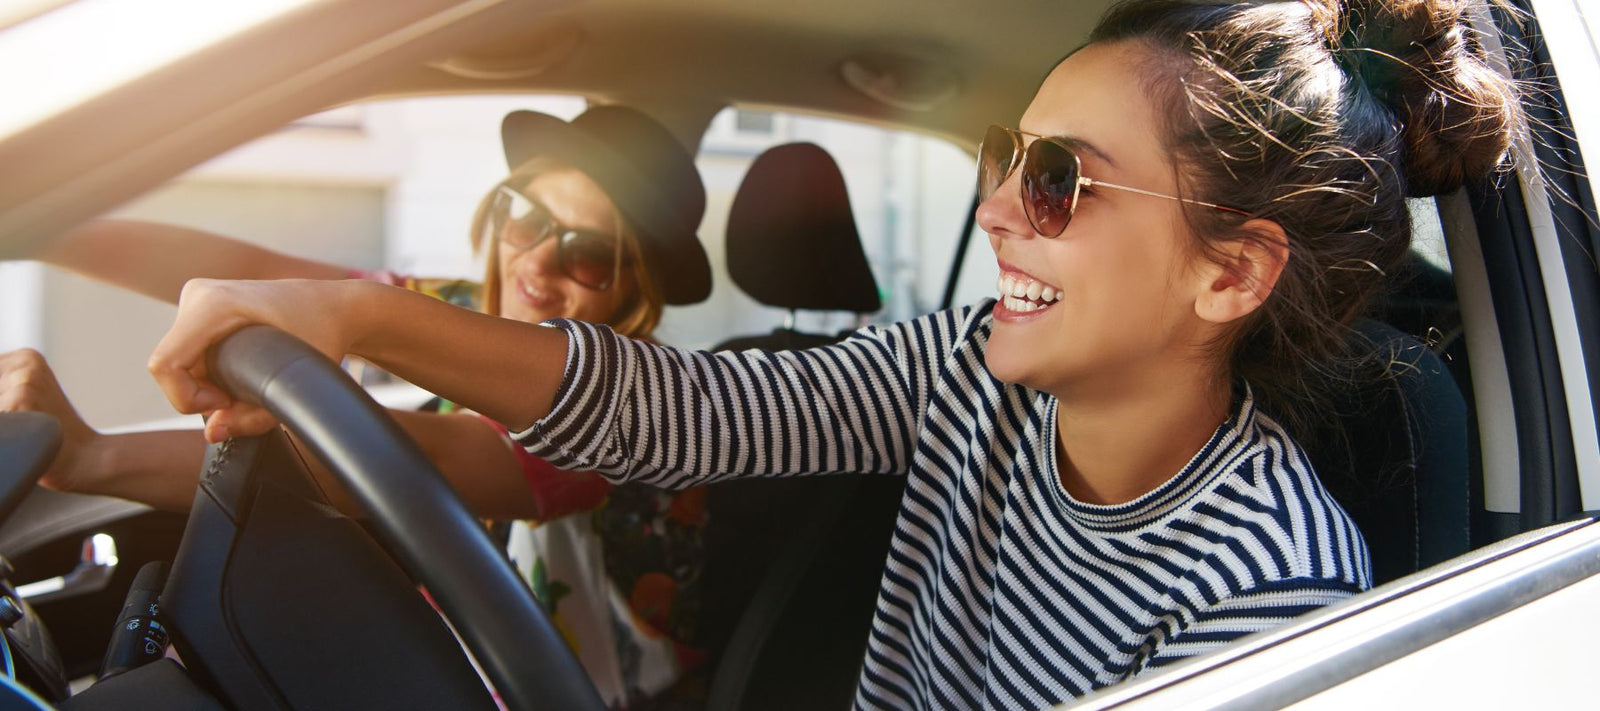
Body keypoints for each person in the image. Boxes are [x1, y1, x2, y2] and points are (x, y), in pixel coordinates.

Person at [139, 0, 1524, 707]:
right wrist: (354, 316)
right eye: (1003, 158)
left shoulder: (1270, 586)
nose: (993, 210)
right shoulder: (964, 368)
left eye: (1059, 180)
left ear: (1229, 270)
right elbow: (683, 411)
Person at [3, 106, 718, 708]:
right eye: (525, 217)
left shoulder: (630, 404)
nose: (535, 263)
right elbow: (259, 280)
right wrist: (44, 223)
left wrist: (92, 453)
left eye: (587, 253)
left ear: (633, 291)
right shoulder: (461, 307)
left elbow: (420, 459)